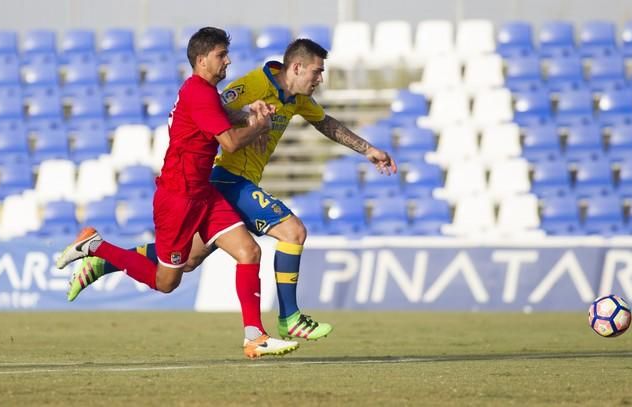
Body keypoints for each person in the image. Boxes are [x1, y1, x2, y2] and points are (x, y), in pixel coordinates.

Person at [68, 38, 397, 341]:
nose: (319, 79)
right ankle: (289, 317)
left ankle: (104, 260)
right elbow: (214, 112)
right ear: (297, 67)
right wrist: (250, 118)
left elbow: (324, 122)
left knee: (186, 261)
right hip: (225, 177)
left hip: (238, 183)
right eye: (317, 71)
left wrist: (368, 149)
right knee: (293, 232)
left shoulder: (298, 99)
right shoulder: (252, 84)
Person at [56, 27, 299, 359]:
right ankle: (95, 246)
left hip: (204, 194)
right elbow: (228, 142)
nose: (227, 60)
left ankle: (254, 337)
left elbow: (224, 117)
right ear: (201, 60)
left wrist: (249, 114)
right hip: (179, 199)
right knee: (167, 282)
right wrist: (258, 125)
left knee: (248, 251)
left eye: (226, 54)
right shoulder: (198, 92)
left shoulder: (205, 93)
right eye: (220, 55)